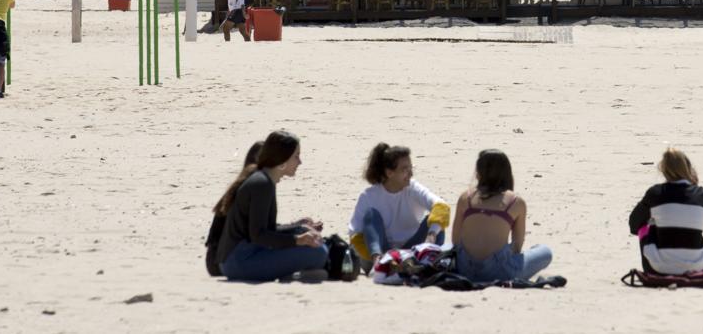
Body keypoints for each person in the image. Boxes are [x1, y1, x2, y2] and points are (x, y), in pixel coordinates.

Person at [214, 130, 328, 281]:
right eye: (296, 156)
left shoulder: (264, 180)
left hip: (237, 258)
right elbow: (259, 235)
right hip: (239, 262)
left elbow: (263, 229)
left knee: (317, 245)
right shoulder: (262, 184)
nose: (299, 162)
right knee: (318, 253)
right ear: (282, 159)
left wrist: (298, 228)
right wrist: (297, 240)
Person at [451, 149, 552, 282]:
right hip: (500, 272)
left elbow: (456, 240)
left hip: (464, 270)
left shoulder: (466, 198)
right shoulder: (515, 202)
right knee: (544, 251)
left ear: (478, 173)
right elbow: (517, 246)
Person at [348, 143, 451, 271]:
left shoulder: (413, 188)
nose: (410, 174)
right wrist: (380, 255)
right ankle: (379, 265)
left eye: (411, 168)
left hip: (411, 251)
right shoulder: (368, 196)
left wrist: (431, 236)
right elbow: (355, 235)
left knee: (436, 222)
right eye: (405, 170)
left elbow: (442, 207)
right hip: (379, 252)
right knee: (371, 215)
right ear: (389, 173)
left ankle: (420, 264)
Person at [629, 148, 703, 275]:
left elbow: (634, 224)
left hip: (660, 269)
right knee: (689, 225)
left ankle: (656, 264)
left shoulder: (656, 193)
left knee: (645, 226)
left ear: (663, 170)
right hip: (700, 266)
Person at [205, 140, 264, 276]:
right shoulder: (252, 189)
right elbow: (259, 232)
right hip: (223, 262)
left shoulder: (238, 186)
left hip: (213, 260)